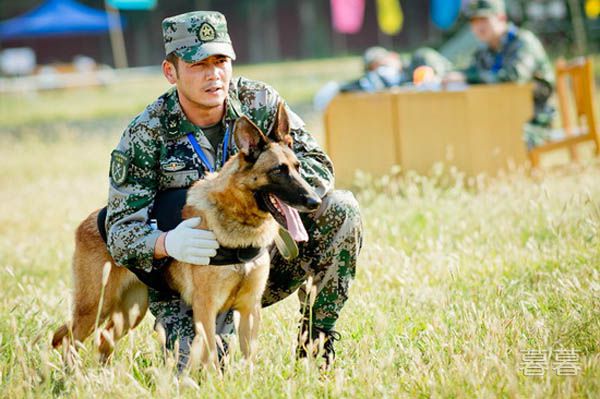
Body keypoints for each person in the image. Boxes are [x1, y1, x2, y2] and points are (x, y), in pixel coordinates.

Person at [105, 11, 363, 370]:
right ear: (171, 71)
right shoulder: (146, 134)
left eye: (221, 61)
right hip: (190, 279)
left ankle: (316, 345)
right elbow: (118, 232)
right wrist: (166, 243)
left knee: (342, 209)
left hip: (261, 254)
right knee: (199, 373)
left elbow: (319, 169)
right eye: (198, 64)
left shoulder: (260, 103)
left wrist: (260, 198)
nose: (213, 74)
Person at [444, 0, 555, 146]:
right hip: (503, 115)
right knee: (463, 131)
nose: (479, 26)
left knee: (486, 137)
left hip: (534, 121)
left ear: (501, 18)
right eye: (474, 21)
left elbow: (513, 77)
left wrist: (467, 77)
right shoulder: (485, 50)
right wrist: (451, 76)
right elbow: (471, 71)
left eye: (484, 19)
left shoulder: (523, 42)